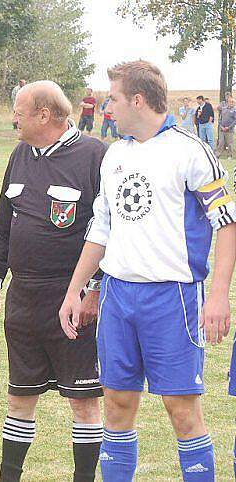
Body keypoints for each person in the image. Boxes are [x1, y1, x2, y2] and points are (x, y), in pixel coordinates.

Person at [60, 60, 235, 481]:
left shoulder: (190, 150)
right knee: (117, 403)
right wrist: (76, 290)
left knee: (181, 410)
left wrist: (217, 296)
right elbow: (100, 227)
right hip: (119, 297)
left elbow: (227, 222)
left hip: (171, 298)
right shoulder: (114, 154)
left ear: (138, 99)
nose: (107, 109)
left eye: (114, 99)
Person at [0, 81, 107, 482]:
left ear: (44, 115)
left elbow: (109, 229)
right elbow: (3, 226)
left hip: (72, 302)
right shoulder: (20, 154)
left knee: (84, 401)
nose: (12, 117)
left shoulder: (94, 155)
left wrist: (93, 289)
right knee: (19, 395)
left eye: (19, 110)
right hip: (24, 299)